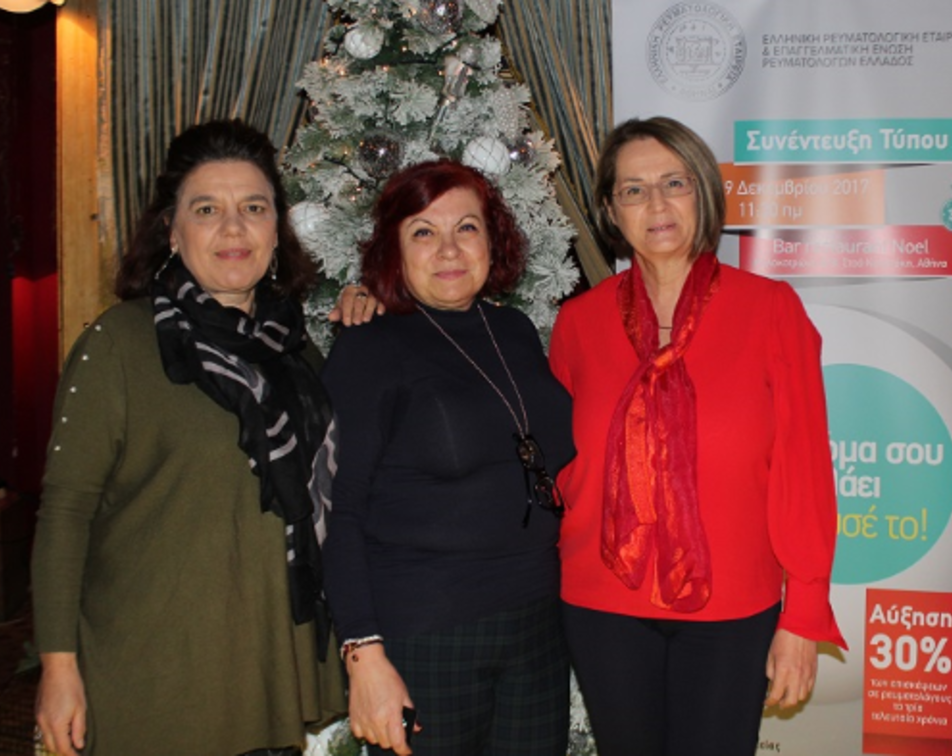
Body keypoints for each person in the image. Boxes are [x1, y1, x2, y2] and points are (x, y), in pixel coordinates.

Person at [32, 119, 349, 756]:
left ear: (276, 230)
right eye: (206, 210)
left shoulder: (298, 355)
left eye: (253, 208)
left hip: (271, 668)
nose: (233, 228)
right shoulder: (118, 345)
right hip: (155, 676)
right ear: (172, 233)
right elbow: (65, 512)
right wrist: (57, 667)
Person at [548, 116, 847, 755]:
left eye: (674, 182)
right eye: (633, 190)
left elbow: (803, 471)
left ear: (703, 192)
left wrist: (803, 614)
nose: (656, 204)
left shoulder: (770, 310)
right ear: (611, 211)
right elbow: (557, 461)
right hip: (602, 604)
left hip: (733, 608)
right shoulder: (577, 323)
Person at [321, 159, 575, 756]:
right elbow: (340, 512)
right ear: (395, 249)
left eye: (466, 227)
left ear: (493, 238)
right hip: (426, 635)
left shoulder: (514, 331)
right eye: (423, 232)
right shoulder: (369, 347)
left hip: (538, 627)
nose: (449, 250)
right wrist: (363, 653)